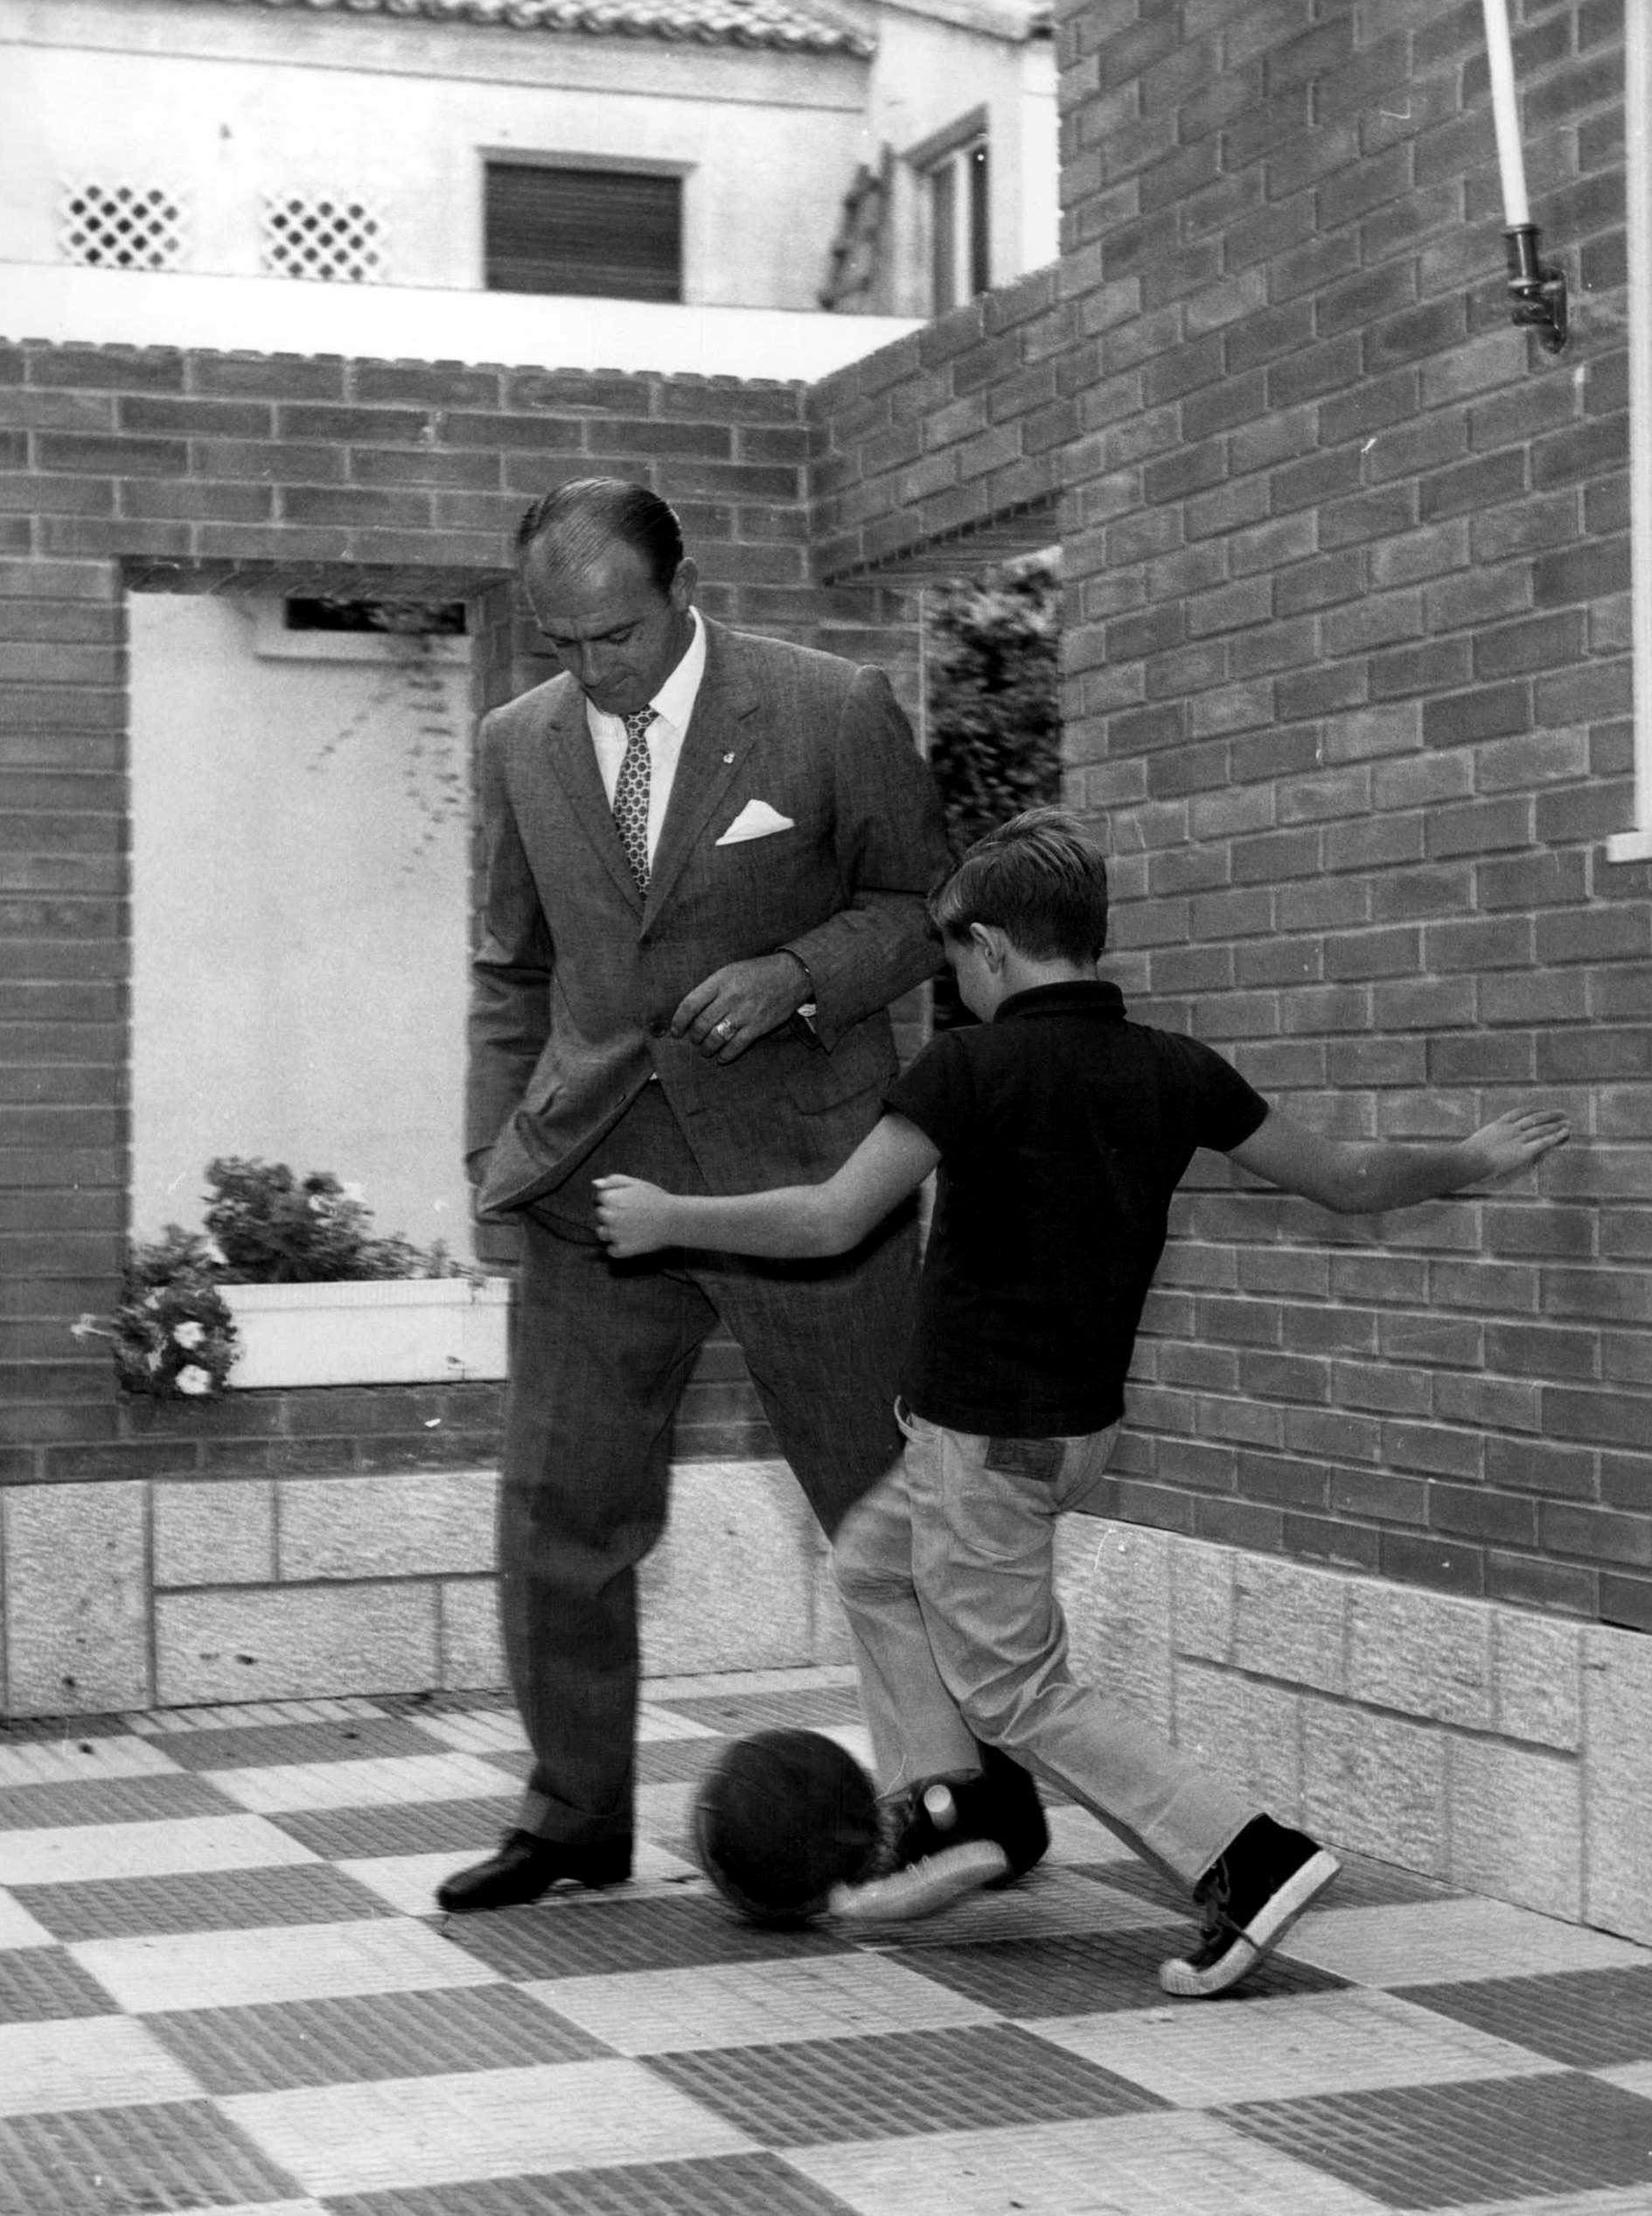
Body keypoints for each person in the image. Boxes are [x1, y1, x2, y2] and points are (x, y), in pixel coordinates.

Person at [593, 809, 1570, 1995]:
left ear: (992, 948)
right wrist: (1466, 1158)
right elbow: (1347, 1181)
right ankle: (949, 1807)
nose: (954, 980)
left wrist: (670, 1221)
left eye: (954, 957)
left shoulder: (969, 1068)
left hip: (983, 1437)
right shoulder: (1172, 1069)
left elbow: (830, 1218)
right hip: (1072, 1434)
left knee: (1016, 1686)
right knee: (871, 1563)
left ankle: (1243, 1860)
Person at [440, 478, 1044, 1914]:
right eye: (560, 642)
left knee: (887, 1506)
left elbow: (923, 912)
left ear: (683, 584)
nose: (590, 669)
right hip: (592, 1182)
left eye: (616, 635)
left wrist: (795, 977)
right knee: (559, 1510)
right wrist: (491, 1158)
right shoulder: (514, 744)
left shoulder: (829, 709)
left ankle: (981, 1800)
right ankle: (571, 1816)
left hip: (809, 1183)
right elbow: (508, 971)